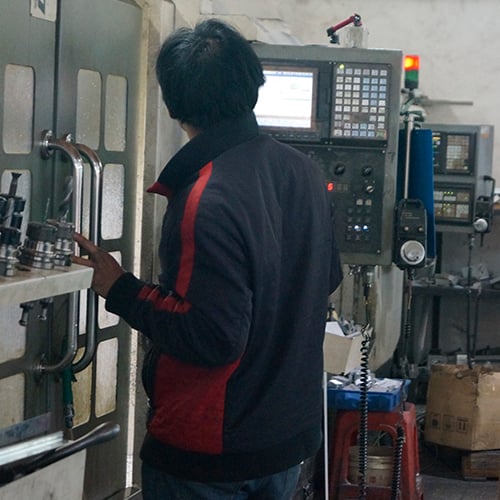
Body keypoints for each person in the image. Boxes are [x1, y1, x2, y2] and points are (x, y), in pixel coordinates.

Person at [73, 18, 342, 500]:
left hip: (212, 455)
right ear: (253, 85)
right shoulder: (304, 172)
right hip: (286, 441)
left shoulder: (206, 197)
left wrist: (119, 288)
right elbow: (325, 278)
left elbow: (212, 334)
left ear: (173, 105)